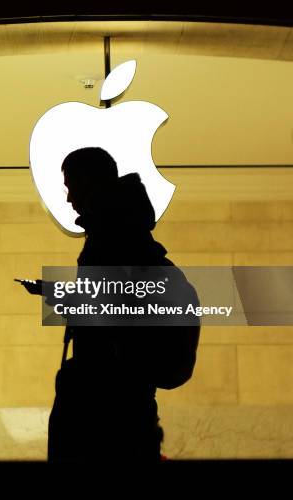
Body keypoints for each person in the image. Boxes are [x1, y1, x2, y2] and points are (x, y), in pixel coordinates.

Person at [22, 147, 199, 463]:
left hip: (108, 416)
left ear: (89, 183)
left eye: (71, 187)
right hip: (113, 408)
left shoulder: (115, 245)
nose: (67, 199)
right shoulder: (118, 242)